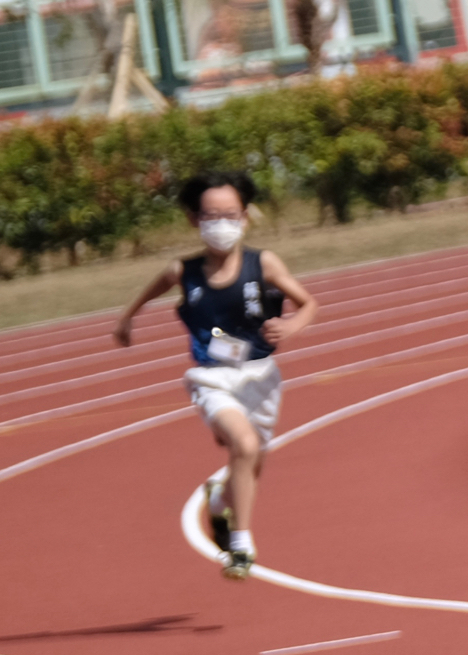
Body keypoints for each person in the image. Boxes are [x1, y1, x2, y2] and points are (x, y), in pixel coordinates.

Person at [112, 170, 318, 579]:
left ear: (244, 215)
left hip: (261, 377)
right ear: (194, 219)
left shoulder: (265, 263)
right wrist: (126, 320)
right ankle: (240, 546)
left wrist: (292, 327)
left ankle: (219, 503)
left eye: (230, 214)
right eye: (211, 215)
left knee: (251, 459)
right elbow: (151, 290)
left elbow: (309, 303)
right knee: (242, 445)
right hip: (211, 378)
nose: (221, 223)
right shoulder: (182, 272)